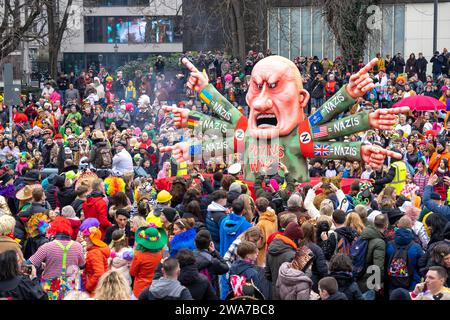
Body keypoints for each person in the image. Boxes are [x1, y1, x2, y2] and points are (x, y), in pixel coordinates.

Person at [28, 216, 85, 300]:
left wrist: (41, 266)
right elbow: (82, 265)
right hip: (71, 288)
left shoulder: (47, 247)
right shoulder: (78, 246)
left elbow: (29, 263)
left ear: (54, 229)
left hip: (50, 287)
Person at [265, 222, 303, 299]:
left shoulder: (270, 249)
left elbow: (267, 274)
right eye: (299, 239)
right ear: (294, 239)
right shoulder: (292, 255)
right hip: (289, 294)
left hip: (275, 292)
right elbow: (298, 279)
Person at [386, 216, 424, 292]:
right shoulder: (416, 247)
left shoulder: (389, 245)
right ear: (411, 226)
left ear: (398, 226)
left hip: (392, 283)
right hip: (412, 283)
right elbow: (421, 266)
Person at [130, 224, 167, 298]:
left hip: (140, 289)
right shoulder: (164, 252)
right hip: (158, 288)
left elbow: (132, 272)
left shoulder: (138, 254)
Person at [358, 214, 388, 294]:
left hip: (359, 275)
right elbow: (378, 266)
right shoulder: (379, 242)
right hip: (369, 282)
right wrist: (379, 284)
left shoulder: (364, 234)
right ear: (386, 225)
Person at [193, 230, 229, 297]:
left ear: (195, 243)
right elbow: (226, 268)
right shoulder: (212, 261)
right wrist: (214, 252)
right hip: (210, 293)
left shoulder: (189, 257)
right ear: (210, 244)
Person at [82, 226, 110, 296]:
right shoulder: (95, 250)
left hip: (95, 290)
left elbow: (99, 273)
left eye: (87, 237)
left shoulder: (94, 252)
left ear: (93, 239)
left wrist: (88, 286)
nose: (85, 239)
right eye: (85, 237)